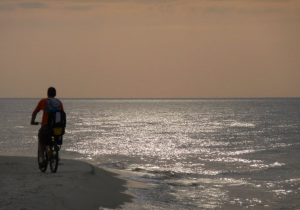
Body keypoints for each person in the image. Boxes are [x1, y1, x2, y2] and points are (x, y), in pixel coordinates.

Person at [31, 87, 64, 167]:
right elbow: (62, 114)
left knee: (41, 140)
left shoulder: (44, 101)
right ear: (55, 94)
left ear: (47, 94)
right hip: (57, 127)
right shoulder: (59, 102)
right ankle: (54, 150)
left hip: (46, 126)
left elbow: (35, 112)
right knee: (53, 138)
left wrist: (32, 121)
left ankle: (43, 160)